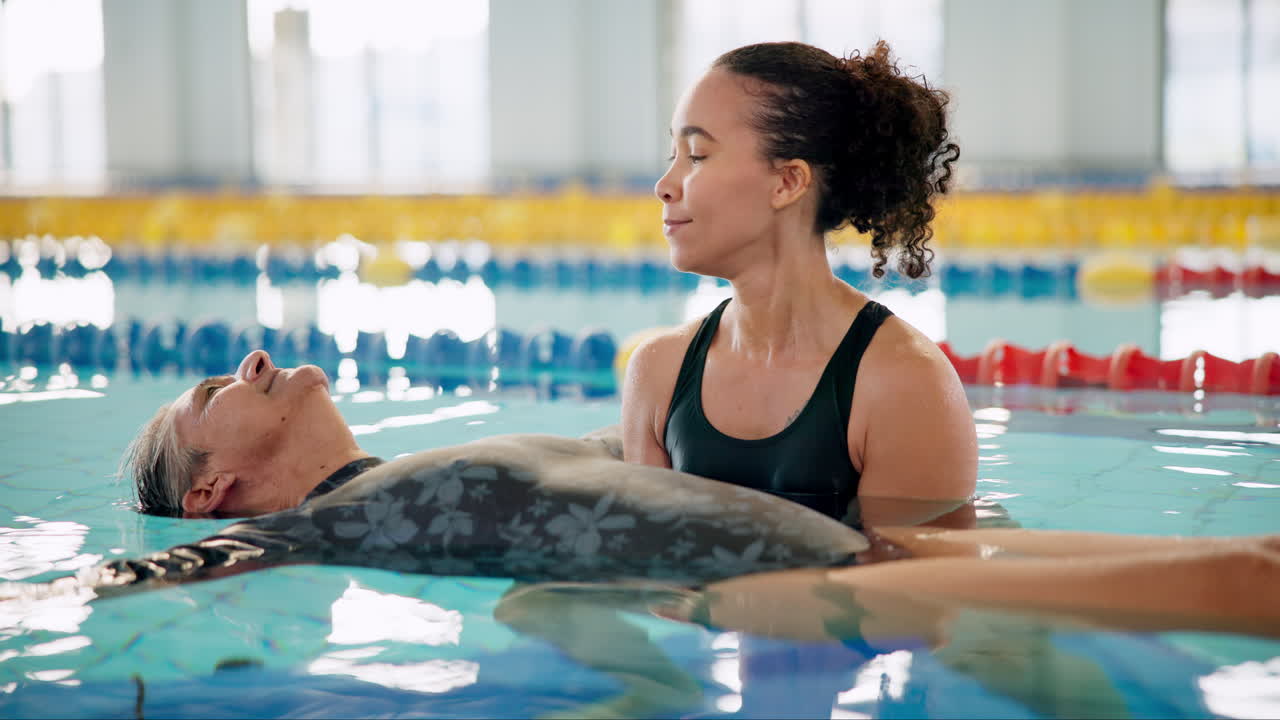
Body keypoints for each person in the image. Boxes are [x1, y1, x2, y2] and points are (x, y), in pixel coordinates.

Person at [622, 40, 975, 524]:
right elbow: (646, 560)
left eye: (697, 155)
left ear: (787, 182)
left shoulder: (901, 384)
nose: (664, 185)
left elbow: (917, 573)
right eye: (673, 155)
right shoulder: (658, 372)